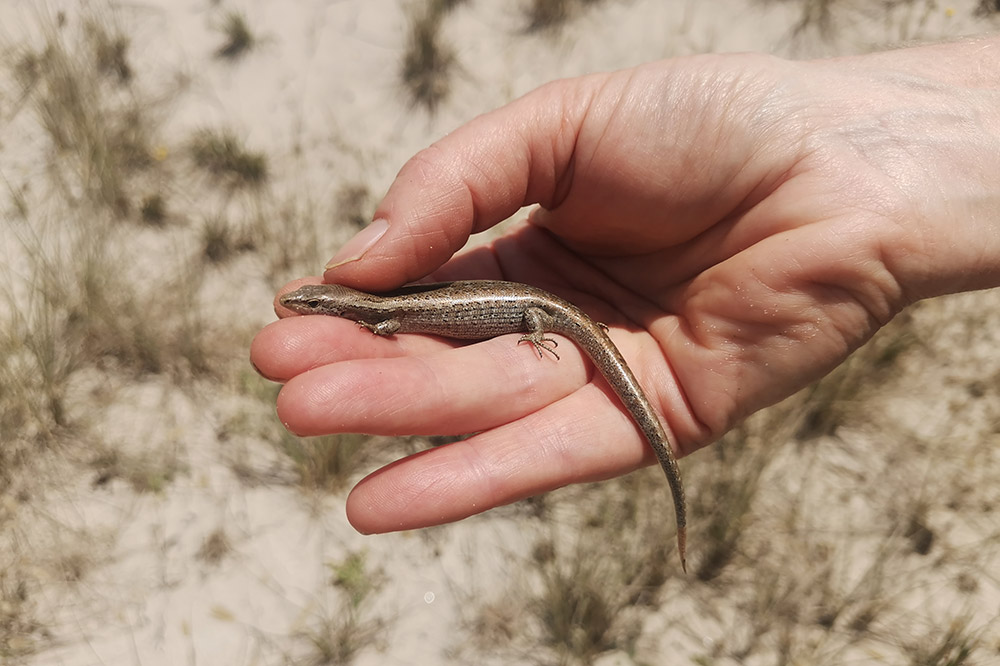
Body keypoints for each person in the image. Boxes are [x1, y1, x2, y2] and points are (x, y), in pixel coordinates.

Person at [250, 35, 1000, 537]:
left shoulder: (377, 315)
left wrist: (530, 327)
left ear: (334, 308)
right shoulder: (379, 304)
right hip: (541, 310)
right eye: (317, 302)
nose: (310, 302)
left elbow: (394, 319)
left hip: (539, 310)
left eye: (316, 303)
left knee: (453, 327)